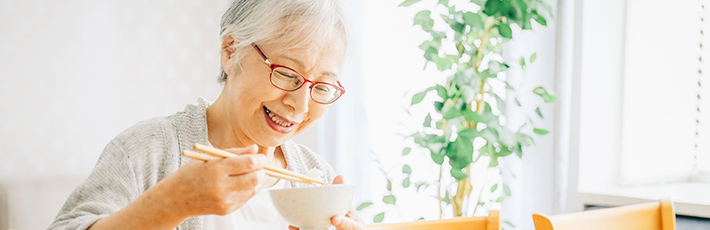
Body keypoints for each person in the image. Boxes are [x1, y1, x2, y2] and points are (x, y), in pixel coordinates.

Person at [48, 0, 366, 229]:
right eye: (286, 74)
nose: (300, 104)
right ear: (231, 51)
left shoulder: (315, 177)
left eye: (322, 87)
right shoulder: (145, 152)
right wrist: (171, 204)